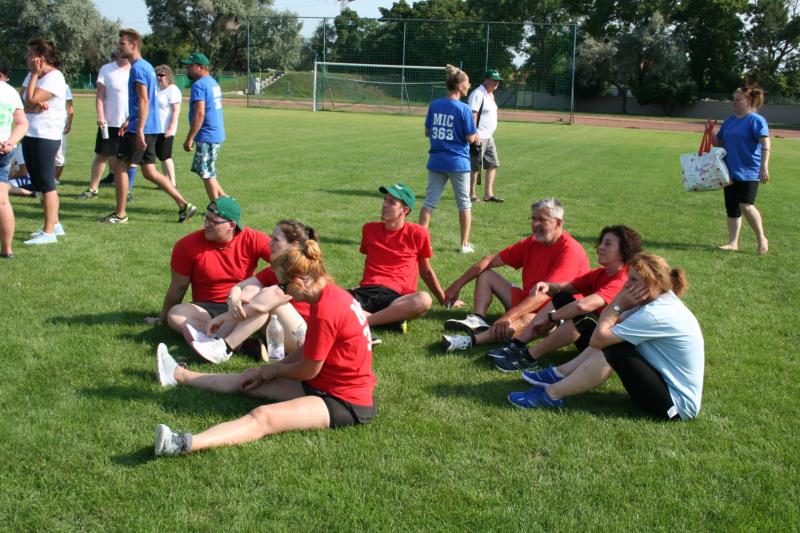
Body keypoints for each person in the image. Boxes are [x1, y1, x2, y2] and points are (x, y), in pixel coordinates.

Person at [153, 240, 376, 457]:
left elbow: (308, 370)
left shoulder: (327, 310)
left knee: (263, 417)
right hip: (325, 382)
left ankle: (181, 443)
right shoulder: (331, 296)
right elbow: (309, 350)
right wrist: (265, 372)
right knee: (247, 381)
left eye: (283, 286)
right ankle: (178, 374)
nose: (283, 291)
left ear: (299, 281)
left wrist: (273, 370)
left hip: (344, 400)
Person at [509, 252, 704, 421]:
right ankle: (559, 374)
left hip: (676, 407)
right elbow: (610, 325)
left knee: (613, 346)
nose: (627, 285)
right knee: (612, 338)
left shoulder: (655, 313)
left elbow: (598, 339)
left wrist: (617, 304)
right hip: (663, 387)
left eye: (633, 280)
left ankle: (551, 394)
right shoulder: (654, 300)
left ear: (653, 284)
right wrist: (617, 307)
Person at [441, 198, 589, 352]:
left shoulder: (570, 251)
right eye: (533, 219)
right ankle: (478, 320)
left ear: (558, 223)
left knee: (526, 320)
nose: (535, 224)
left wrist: (508, 317)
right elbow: (489, 260)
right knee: (486, 275)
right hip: (529, 300)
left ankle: (468, 341)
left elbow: (544, 294)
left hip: (557, 313)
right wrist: (456, 286)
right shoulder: (532, 243)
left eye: (541, 220)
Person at [490, 225, 642, 372]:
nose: (600, 247)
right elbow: (567, 287)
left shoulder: (623, 279)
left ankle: (528, 357)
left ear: (623, 250)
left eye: (608, 244)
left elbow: (583, 306)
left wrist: (551, 317)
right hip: (594, 335)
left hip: (608, 345)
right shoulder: (600, 273)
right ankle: (517, 344)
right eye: (601, 242)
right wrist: (549, 286)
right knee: (562, 296)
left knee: (584, 318)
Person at [98, 28, 196, 225]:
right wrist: (130, 119)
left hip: (141, 129)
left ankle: (120, 214)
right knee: (149, 171)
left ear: (133, 45)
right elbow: (145, 102)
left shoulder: (138, 68)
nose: (118, 47)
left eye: (122, 44)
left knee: (120, 167)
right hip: (148, 126)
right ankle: (184, 204)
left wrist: (139, 129)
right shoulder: (146, 66)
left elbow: (144, 101)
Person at [144, 196, 271, 348]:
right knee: (175, 314)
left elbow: (286, 263)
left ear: (231, 225)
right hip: (205, 309)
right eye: (206, 218)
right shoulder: (186, 245)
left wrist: (257, 285)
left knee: (265, 300)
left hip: (240, 304)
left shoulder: (253, 238)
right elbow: (178, 288)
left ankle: (215, 340)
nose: (206, 224)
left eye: (213, 222)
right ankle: (237, 343)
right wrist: (162, 319)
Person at [187, 219, 318, 364]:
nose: (269, 243)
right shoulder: (276, 269)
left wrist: (221, 318)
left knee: (265, 301)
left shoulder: (301, 271)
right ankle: (215, 339)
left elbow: (261, 306)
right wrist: (234, 298)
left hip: (304, 341)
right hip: (282, 331)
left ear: (294, 245)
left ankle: (225, 347)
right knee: (251, 290)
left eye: (276, 240)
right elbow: (240, 286)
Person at [350, 183, 458, 335]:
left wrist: (444, 300)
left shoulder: (418, 233)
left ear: (405, 210)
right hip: (367, 291)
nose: (384, 204)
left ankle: (363, 321)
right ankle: (391, 320)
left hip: (397, 298)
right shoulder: (369, 229)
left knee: (424, 299)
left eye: (391, 202)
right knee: (326, 295)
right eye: (385, 200)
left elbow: (426, 272)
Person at [419, 64, 478, 254]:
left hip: (436, 160)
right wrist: (474, 132)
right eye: (467, 83)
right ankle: (464, 244)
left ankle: (421, 244)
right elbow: (470, 138)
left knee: (429, 202)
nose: (469, 85)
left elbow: (427, 132)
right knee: (464, 204)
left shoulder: (435, 104)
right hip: (458, 162)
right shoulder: (464, 108)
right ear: (459, 86)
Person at [708, 85, 770, 255]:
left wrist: (764, 166)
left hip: (750, 171)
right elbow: (719, 144)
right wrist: (710, 132)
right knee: (732, 208)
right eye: (733, 99)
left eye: (737, 99)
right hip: (729, 171)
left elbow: (765, 143)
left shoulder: (756, 120)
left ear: (749, 101)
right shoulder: (729, 121)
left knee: (746, 205)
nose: (733, 102)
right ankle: (733, 243)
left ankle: (761, 238)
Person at [20, 37, 67, 246]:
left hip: (46, 135)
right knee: (39, 183)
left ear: (41, 57)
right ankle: (55, 225)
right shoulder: (31, 74)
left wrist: (34, 76)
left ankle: (49, 233)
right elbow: (22, 101)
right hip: (30, 133)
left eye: (30, 53)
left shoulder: (54, 77)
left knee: (47, 184)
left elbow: (30, 99)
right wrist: (32, 105)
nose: (27, 57)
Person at [76, 52, 137, 201]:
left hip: (130, 123)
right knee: (102, 155)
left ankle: (126, 191)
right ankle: (93, 189)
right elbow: (100, 96)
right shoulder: (106, 69)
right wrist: (101, 116)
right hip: (109, 122)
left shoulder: (136, 70)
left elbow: (141, 99)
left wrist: (131, 119)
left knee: (126, 159)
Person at [181, 52, 226, 202]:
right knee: (205, 169)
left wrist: (189, 138)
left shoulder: (199, 85)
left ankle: (217, 207)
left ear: (200, 67)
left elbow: (200, 113)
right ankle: (224, 199)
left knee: (206, 172)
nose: (187, 69)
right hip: (214, 133)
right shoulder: (212, 82)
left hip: (207, 134)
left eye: (190, 66)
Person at [0, 54, 29, 259]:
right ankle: (7, 249)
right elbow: (22, 123)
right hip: (5, 149)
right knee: (2, 202)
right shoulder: (11, 92)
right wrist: (10, 142)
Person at [468, 69, 503, 203]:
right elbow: (473, 115)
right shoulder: (478, 94)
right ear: (486, 80)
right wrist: (474, 134)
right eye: (494, 80)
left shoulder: (490, 94)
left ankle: (488, 194)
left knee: (493, 164)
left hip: (489, 136)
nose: (496, 83)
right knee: (475, 166)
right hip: (479, 136)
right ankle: (471, 194)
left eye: (498, 81)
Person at [155, 64, 181, 187]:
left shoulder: (173, 90)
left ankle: (173, 183)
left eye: (161, 75)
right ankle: (165, 182)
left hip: (167, 128)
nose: (159, 77)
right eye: (157, 75)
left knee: (166, 156)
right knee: (161, 156)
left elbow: (176, 111)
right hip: (157, 128)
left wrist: (170, 128)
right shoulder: (158, 89)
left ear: (168, 76)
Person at [53, 84, 72, 182]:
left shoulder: (64, 86)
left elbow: (69, 106)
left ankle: (55, 178)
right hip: (43, 123)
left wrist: (69, 123)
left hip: (59, 124)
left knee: (59, 153)